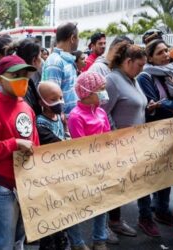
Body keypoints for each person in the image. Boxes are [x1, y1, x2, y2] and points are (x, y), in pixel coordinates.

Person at [0, 55, 40, 249]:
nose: (23, 79)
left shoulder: (26, 107)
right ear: (1, 79)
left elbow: (33, 142)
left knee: (19, 236)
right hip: (4, 187)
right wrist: (14, 143)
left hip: (25, 183)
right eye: (16, 75)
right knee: (4, 241)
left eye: (25, 75)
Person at [102, 41, 147, 239]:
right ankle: (105, 227)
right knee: (111, 186)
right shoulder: (112, 80)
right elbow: (103, 112)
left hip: (132, 145)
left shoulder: (131, 79)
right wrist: (117, 134)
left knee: (121, 185)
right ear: (128, 61)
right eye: (140, 65)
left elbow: (134, 104)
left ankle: (115, 221)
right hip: (117, 145)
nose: (142, 70)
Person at [136, 39, 173, 237]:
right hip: (154, 132)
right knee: (150, 176)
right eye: (160, 53)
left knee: (166, 172)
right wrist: (169, 104)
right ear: (150, 57)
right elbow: (154, 105)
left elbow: (171, 102)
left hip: (171, 130)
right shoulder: (146, 76)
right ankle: (146, 216)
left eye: (166, 51)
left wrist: (166, 104)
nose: (166, 56)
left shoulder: (171, 72)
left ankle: (161, 210)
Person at [67, 72, 110, 250]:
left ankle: (99, 239)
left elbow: (108, 135)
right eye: (101, 89)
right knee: (76, 207)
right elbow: (80, 146)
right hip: (84, 168)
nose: (104, 92)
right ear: (87, 92)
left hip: (102, 166)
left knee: (103, 203)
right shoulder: (75, 116)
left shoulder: (100, 111)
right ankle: (77, 243)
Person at [36, 81, 69, 250]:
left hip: (61, 178)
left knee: (62, 225)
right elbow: (61, 145)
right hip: (47, 182)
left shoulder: (60, 118)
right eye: (53, 99)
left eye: (61, 98)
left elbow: (66, 138)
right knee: (49, 228)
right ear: (42, 102)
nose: (60, 102)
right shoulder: (40, 124)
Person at [42, 22, 79, 115]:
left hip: (72, 118)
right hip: (64, 122)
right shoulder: (55, 62)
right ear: (72, 38)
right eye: (78, 37)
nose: (79, 40)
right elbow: (52, 97)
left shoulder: (67, 59)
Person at [5, 38, 43, 115]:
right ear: (34, 60)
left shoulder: (28, 81)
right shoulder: (22, 88)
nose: (42, 60)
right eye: (40, 56)